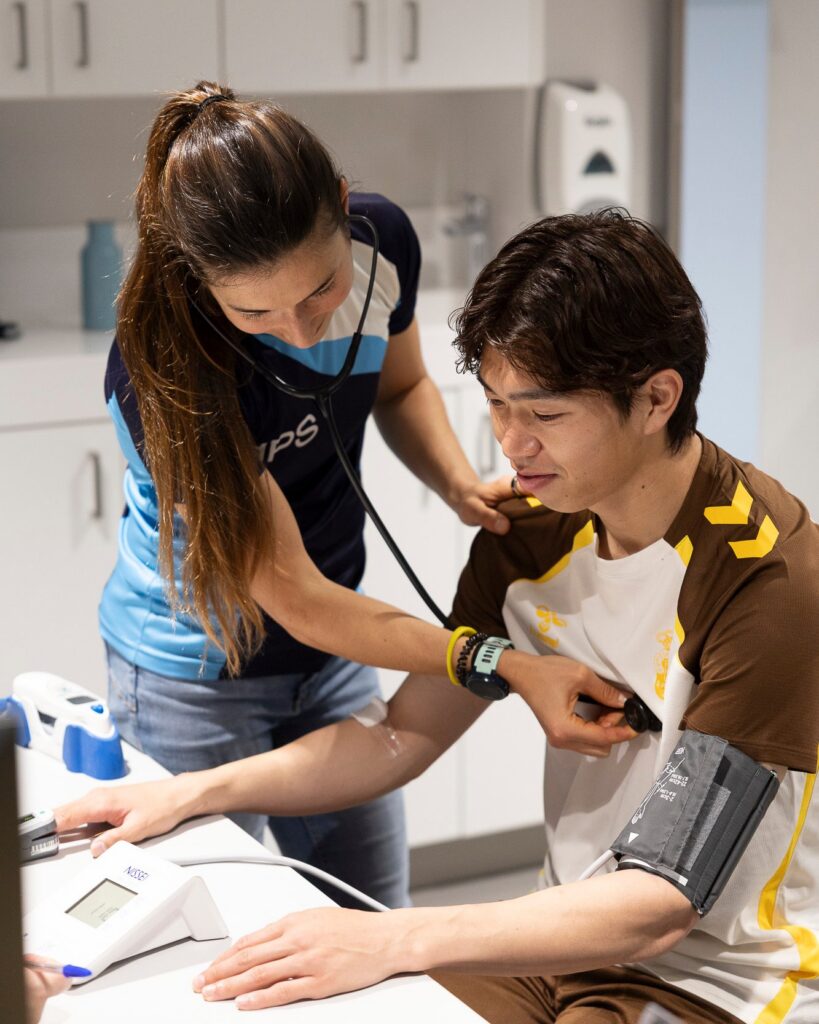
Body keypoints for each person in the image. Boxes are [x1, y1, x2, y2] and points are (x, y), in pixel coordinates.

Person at [58, 208, 816, 1024]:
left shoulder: (766, 581)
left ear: (656, 398)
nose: (511, 446)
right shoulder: (533, 530)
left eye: (544, 415)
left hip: (717, 973)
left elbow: (664, 897)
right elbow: (400, 734)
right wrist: (197, 792)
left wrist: (393, 937)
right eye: (495, 406)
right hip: (563, 938)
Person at [98, 81, 631, 913]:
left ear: (343, 209)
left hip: (332, 649)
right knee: (224, 943)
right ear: (195, 277)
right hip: (195, 672)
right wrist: (500, 662)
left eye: (318, 291)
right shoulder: (165, 372)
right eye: (255, 311)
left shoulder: (383, 239)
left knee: (371, 918)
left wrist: (458, 484)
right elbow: (299, 600)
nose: (303, 328)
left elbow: (403, 383)